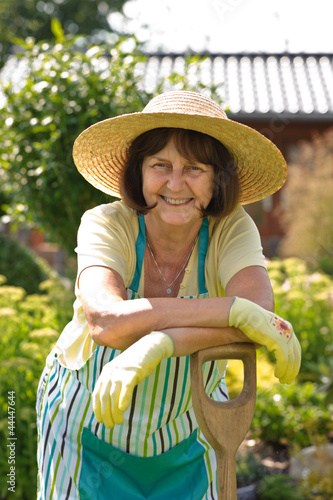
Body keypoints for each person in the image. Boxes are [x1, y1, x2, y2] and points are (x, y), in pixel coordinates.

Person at [36, 90, 301, 499]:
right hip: (84, 433)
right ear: (138, 172)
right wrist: (231, 311)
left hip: (191, 434)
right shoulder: (106, 223)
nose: (175, 184)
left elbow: (258, 315)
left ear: (218, 179)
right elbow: (106, 320)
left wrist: (158, 343)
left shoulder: (232, 229)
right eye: (160, 165)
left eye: (195, 168)